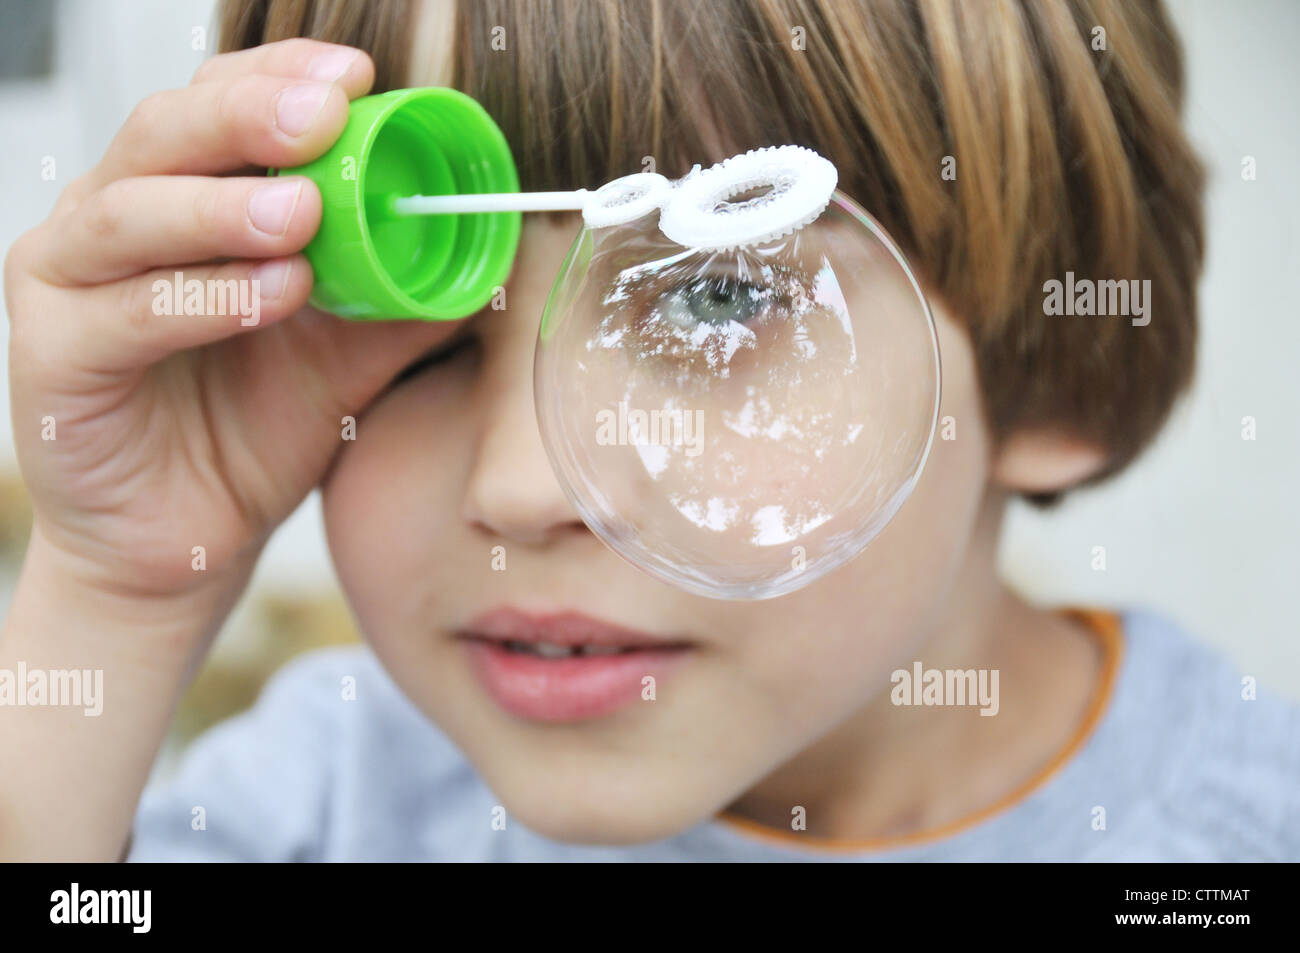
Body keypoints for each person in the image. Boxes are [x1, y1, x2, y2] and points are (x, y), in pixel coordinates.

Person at [3, 0, 1295, 862]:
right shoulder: (329, 798)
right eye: (416, 339)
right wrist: (114, 599)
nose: (518, 489)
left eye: (718, 299)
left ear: (1056, 370)